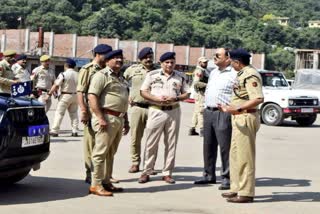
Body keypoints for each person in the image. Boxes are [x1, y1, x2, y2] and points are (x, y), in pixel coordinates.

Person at [138, 52, 190, 184]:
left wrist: (176, 98)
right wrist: (156, 99)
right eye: (166, 62)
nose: (169, 65)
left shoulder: (180, 76)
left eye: (172, 62)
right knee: (151, 143)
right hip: (156, 111)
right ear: (161, 63)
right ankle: (147, 171)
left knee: (171, 143)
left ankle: (167, 172)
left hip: (173, 111)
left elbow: (187, 93)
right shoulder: (152, 75)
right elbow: (143, 91)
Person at [219, 48, 264, 203]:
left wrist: (238, 108)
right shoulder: (242, 73)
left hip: (246, 117)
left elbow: (258, 98)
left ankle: (246, 192)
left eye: (232, 61)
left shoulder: (250, 74)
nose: (231, 64)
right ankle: (236, 187)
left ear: (237, 62)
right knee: (236, 156)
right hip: (238, 118)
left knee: (245, 157)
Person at [88, 49, 130, 196]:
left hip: (118, 118)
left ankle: (106, 181)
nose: (119, 61)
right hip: (106, 118)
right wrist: (100, 118)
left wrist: (126, 120)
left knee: (110, 153)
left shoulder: (120, 78)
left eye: (121, 59)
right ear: (107, 61)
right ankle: (96, 184)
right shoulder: (101, 76)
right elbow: (92, 97)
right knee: (100, 153)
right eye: (116, 59)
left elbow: (123, 99)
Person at [194, 48, 237, 191]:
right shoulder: (213, 72)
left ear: (228, 58)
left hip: (223, 113)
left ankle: (227, 177)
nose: (215, 57)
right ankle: (208, 174)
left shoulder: (234, 74)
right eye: (214, 55)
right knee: (208, 146)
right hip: (209, 112)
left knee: (225, 147)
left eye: (218, 55)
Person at [77, 44, 112, 184]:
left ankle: (103, 173)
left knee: (104, 144)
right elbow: (80, 91)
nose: (109, 57)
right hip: (92, 112)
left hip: (106, 111)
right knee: (91, 144)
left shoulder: (108, 69)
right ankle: (90, 173)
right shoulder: (87, 69)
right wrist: (84, 111)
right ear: (98, 54)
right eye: (106, 55)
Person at [123, 47, 157, 173]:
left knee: (152, 139)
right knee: (135, 137)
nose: (148, 59)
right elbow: (120, 82)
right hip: (137, 108)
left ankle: (150, 165)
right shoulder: (132, 70)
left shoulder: (158, 71)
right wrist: (126, 97)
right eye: (145, 57)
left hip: (154, 108)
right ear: (140, 58)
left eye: (150, 56)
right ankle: (135, 162)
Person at [49, 58, 79, 137]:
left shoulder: (63, 74)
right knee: (74, 114)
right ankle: (74, 131)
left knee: (59, 113)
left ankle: (55, 131)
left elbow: (56, 85)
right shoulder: (78, 74)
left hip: (65, 95)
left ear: (66, 65)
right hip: (75, 95)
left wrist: (49, 93)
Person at [188, 56, 209, 137]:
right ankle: (202, 129)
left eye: (206, 62)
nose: (205, 63)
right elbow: (196, 82)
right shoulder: (199, 71)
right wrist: (208, 85)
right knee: (201, 111)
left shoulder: (203, 70)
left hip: (201, 93)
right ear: (199, 63)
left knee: (196, 111)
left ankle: (192, 129)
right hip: (200, 93)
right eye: (204, 62)